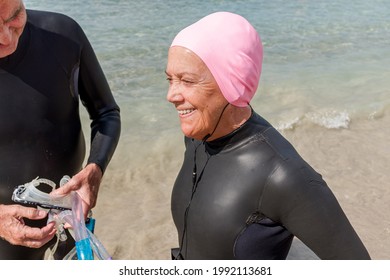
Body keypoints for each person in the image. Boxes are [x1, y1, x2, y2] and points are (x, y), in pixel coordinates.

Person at [165, 11, 370, 260]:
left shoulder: (284, 175)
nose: (172, 95)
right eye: (170, 80)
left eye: (187, 81)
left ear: (233, 81)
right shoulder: (197, 138)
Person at [0, 0, 121, 259]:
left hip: (68, 224)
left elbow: (106, 113)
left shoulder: (63, 34)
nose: (5, 37)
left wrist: (95, 169)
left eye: (14, 18)